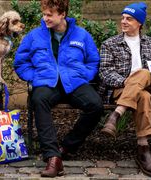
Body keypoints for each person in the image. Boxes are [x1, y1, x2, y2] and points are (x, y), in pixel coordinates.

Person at [14, 0, 103, 177]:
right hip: (47, 83)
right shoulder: (34, 36)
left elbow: (93, 61)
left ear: (62, 14)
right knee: (38, 100)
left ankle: (67, 147)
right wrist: (34, 77)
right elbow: (20, 62)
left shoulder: (81, 35)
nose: (45, 18)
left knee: (95, 105)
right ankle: (53, 157)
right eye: (44, 14)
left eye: (49, 15)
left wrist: (83, 75)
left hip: (74, 83)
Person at [99, 2, 151, 177]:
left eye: (129, 18)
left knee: (144, 73)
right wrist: (125, 81)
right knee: (142, 96)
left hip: (148, 87)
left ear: (139, 23)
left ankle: (116, 114)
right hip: (120, 89)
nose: (123, 21)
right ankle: (143, 149)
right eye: (122, 18)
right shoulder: (110, 44)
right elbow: (105, 72)